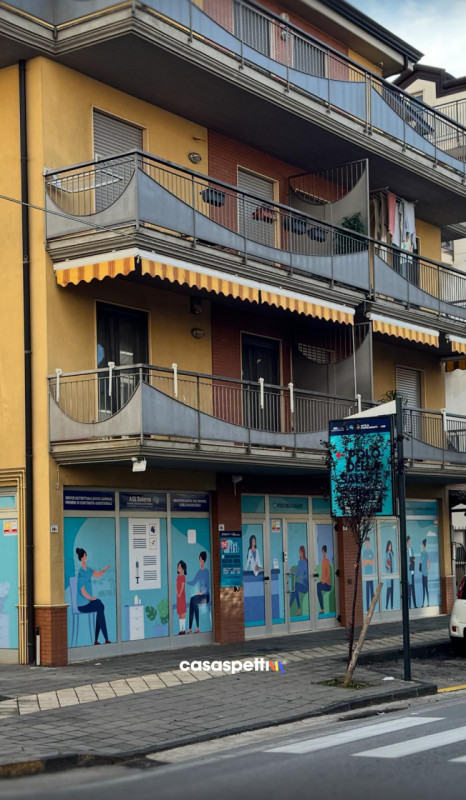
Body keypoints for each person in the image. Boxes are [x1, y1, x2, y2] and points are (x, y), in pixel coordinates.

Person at [75, 547, 111, 645]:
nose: (86, 557)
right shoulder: (81, 572)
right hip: (82, 605)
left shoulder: (88, 570)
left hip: (88, 601)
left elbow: (98, 575)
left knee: (100, 606)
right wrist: (91, 598)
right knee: (99, 606)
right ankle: (105, 638)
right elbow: (82, 591)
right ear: (82, 557)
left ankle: (97, 640)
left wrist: (105, 569)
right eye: (85, 555)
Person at [186, 551, 210, 634]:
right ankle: (190, 628)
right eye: (199, 559)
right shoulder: (199, 571)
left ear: (204, 560)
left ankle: (197, 627)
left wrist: (202, 592)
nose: (200, 561)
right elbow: (193, 582)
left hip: (206, 596)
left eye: (201, 559)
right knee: (192, 599)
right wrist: (186, 581)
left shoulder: (206, 571)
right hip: (201, 595)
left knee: (194, 601)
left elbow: (208, 585)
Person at [289, 545, 309, 616]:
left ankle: (289, 606)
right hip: (300, 585)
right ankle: (298, 609)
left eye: (300, 552)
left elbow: (308, 574)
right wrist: (292, 572)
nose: (299, 553)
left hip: (305, 585)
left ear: (303, 553)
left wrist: (304, 577)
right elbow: (297, 574)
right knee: (295, 590)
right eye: (299, 552)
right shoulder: (299, 562)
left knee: (295, 586)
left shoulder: (305, 562)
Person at [316, 544, 332, 615]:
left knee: (318, 586)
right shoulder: (322, 561)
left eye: (323, 551)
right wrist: (321, 580)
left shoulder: (327, 561)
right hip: (324, 582)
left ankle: (322, 609)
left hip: (328, 585)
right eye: (322, 551)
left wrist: (324, 581)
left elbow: (328, 574)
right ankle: (321, 608)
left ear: (325, 552)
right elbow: (323, 574)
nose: (322, 552)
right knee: (317, 585)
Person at [362, 537, 375, 610]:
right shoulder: (364, 552)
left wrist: (367, 561)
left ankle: (372, 607)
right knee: (367, 591)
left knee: (372, 591)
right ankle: (367, 607)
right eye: (366, 543)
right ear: (365, 543)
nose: (367, 544)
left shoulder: (371, 552)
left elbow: (373, 563)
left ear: (369, 543)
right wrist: (369, 561)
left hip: (371, 574)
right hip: (366, 574)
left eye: (368, 543)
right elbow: (364, 564)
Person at [176, 560, 187, 635]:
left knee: (183, 613)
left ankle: (183, 629)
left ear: (183, 568)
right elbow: (176, 586)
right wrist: (177, 593)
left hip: (182, 597)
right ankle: (180, 630)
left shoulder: (183, 577)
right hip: (178, 598)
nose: (178, 568)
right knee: (179, 614)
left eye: (180, 567)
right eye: (178, 567)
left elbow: (182, 587)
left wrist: (179, 594)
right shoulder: (177, 577)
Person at [407, 536, 417, 608]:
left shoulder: (412, 549)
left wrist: (414, 561)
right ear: (407, 542)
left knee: (413, 589)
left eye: (410, 541)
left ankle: (415, 604)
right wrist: (409, 563)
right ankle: (409, 606)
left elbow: (413, 558)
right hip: (408, 573)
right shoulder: (406, 550)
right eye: (409, 541)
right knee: (409, 590)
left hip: (412, 572)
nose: (410, 543)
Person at [420, 539, 431, 607]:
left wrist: (427, 569)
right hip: (422, 572)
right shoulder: (421, 553)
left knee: (426, 588)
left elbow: (429, 562)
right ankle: (423, 603)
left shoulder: (426, 554)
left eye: (423, 545)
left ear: (424, 546)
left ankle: (428, 603)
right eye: (422, 545)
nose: (422, 546)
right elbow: (421, 561)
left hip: (425, 574)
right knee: (423, 588)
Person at [385, 540, 394, 610]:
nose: (390, 547)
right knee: (388, 590)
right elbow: (386, 566)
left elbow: (393, 564)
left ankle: (392, 606)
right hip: (388, 575)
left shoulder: (392, 554)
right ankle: (386, 605)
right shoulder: (386, 554)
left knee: (392, 591)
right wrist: (388, 565)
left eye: (391, 546)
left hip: (392, 575)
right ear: (387, 546)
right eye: (389, 546)